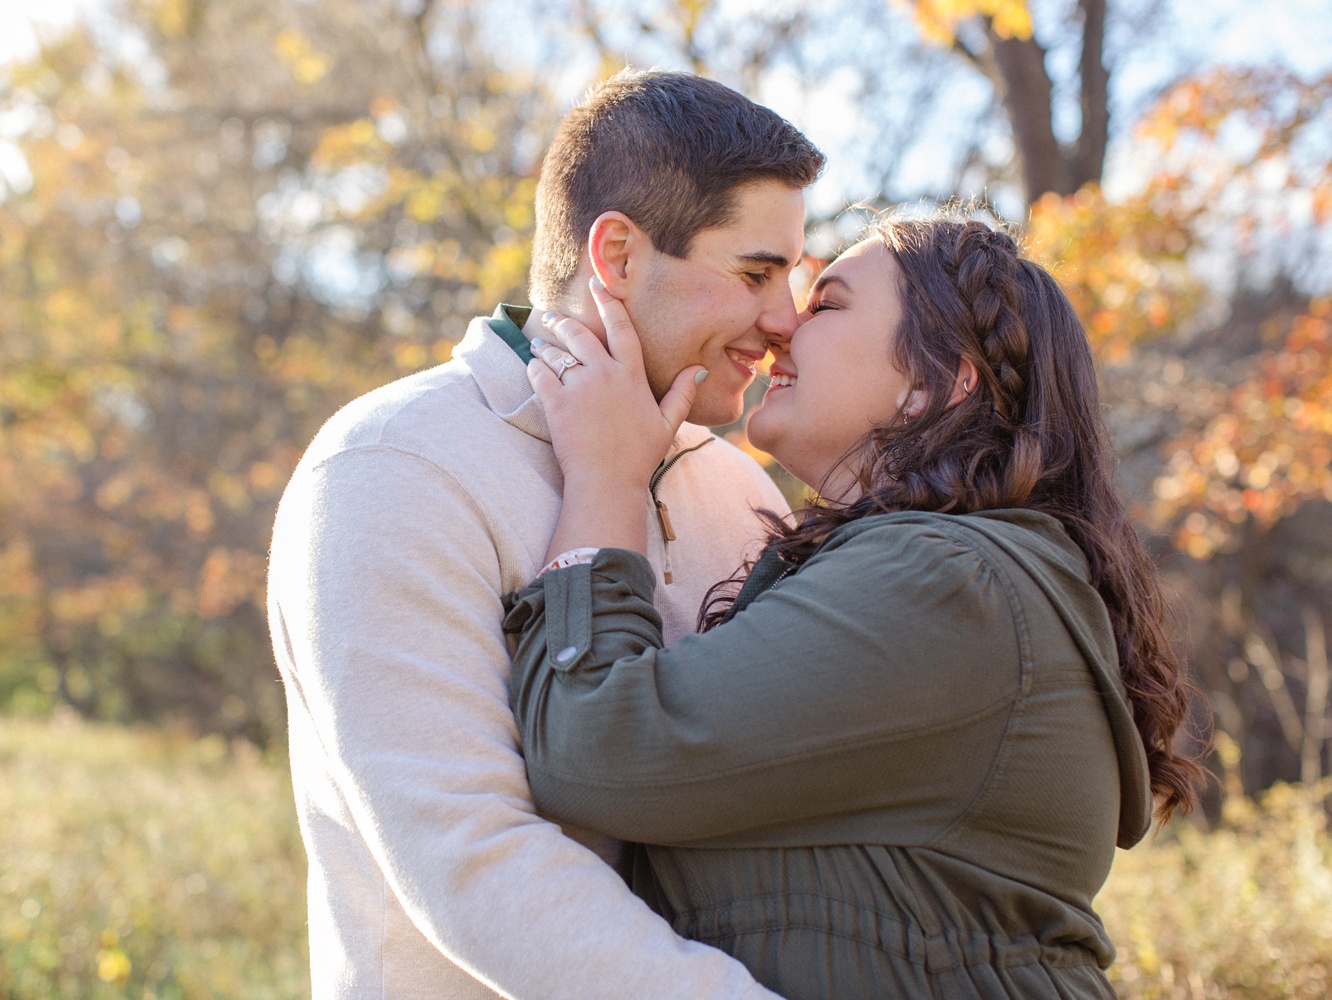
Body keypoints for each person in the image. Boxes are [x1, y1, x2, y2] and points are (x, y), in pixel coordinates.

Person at [507, 216, 1206, 998]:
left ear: (935, 382)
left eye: (827, 304)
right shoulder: (942, 574)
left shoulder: (946, 582)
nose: (780, 330)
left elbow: (599, 750)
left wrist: (605, 475)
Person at [266, 68, 824, 998]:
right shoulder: (391, 467)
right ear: (616, 256)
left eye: (796, 280)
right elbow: (475, 859)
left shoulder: (740, 488)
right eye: (757, 273)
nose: (785, 322)